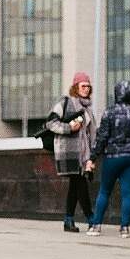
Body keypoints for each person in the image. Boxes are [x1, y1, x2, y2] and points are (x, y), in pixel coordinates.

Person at [85, 79, 130, 239]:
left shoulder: (109, 112)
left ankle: (96, 226)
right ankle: (124, 228)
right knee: (128, 192)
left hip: (113, 157)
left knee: (105, 190)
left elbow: (102, 138)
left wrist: (92, 158)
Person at [45, 72, 95, 232]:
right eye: (83, 86)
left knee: (75, 185)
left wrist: (91, 155)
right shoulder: (65, 102)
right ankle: (92, 218)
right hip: (69, 152)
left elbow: (91, 133)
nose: (86, 89)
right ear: (75, 87)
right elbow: (50, 123)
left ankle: (68, 220)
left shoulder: (88, 108)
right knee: (80, 184)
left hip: (83, 154)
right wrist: (68, 128)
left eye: (88, 86)